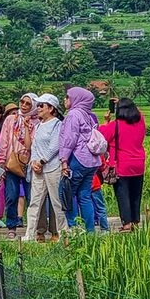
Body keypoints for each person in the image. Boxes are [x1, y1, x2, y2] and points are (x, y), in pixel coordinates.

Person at [23, 93, 67, 242]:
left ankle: (63, 233)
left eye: (42, 105)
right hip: (38, 169)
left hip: (52, 168)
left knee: (56, 202)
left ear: (51, 108)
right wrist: (34, 162)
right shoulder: (38, 125)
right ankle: (30, 234)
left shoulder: (57, 124)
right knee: (34, 203)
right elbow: (34, 146)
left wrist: (42, 161)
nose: (39, 108)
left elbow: (55, 146)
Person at [59, 86, 103, 234]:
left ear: (76, 99)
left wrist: (64, 160)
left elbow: (69, 139)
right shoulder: (88, 115)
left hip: (78, 158)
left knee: (67, 192)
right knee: (85, 196)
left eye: (68, 97)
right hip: (92, 161)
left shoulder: (73, 115)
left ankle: (74, 228)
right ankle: (90, 231)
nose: (65, 99)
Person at [98, 98, 147, 230]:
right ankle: (135, 222)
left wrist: (106, 121)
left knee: (123, 195)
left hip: (122, 165)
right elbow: (140, 112)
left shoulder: (115, 125)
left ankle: (126, 223)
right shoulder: (140, 122)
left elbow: (101, 137)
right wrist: (124, 102)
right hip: (139, 164)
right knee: (136, 194)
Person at [0, 93, 37, 239]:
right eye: (22, 102)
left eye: (28, 103)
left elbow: (31, 144)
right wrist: (1, 160)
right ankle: (11, 225)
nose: (24, 105)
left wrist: (26, 127)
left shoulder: (36, 122)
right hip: (12, 163)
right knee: (11, 196)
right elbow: (4, 140)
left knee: (32, 197)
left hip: (29, 164)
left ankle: (33, 226)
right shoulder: (11, 119)